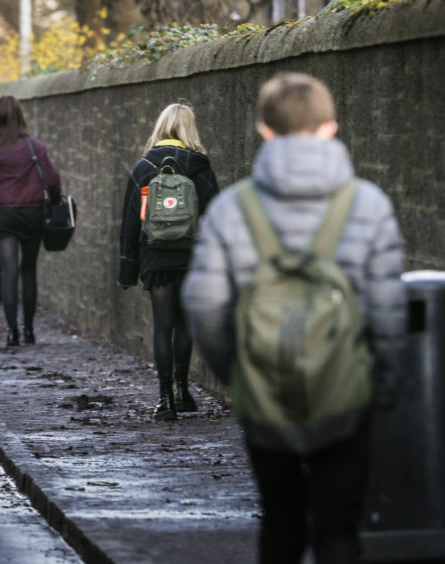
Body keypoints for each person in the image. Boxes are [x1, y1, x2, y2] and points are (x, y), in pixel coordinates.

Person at [181, 73, 406, 563]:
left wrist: (238, 374)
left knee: (280, 523)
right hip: (348, 394)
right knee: (338, 528)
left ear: (264, 130)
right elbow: (387, 309)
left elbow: (204, 305)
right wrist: (382, 385)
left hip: (265, 394)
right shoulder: (367, 205)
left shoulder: (231, 210)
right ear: (330, 128)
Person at [118, 103, 220, 421]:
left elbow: (130, 224)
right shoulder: (200, 166)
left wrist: (128, 268)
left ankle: (164, 400)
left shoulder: (143, 168)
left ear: (160, 126)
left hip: (155, 257)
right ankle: (183, 390)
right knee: (184, 325)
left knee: (162, 326)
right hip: (192, 257)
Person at [0, 95, 61, 346]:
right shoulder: (35, 146)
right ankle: (29, 329)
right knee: (29, 270)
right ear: (20, 116)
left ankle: (12, 332)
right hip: (32, 213)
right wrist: (53, 202)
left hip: (3, 215)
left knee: (9, 271)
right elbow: (53, 179)